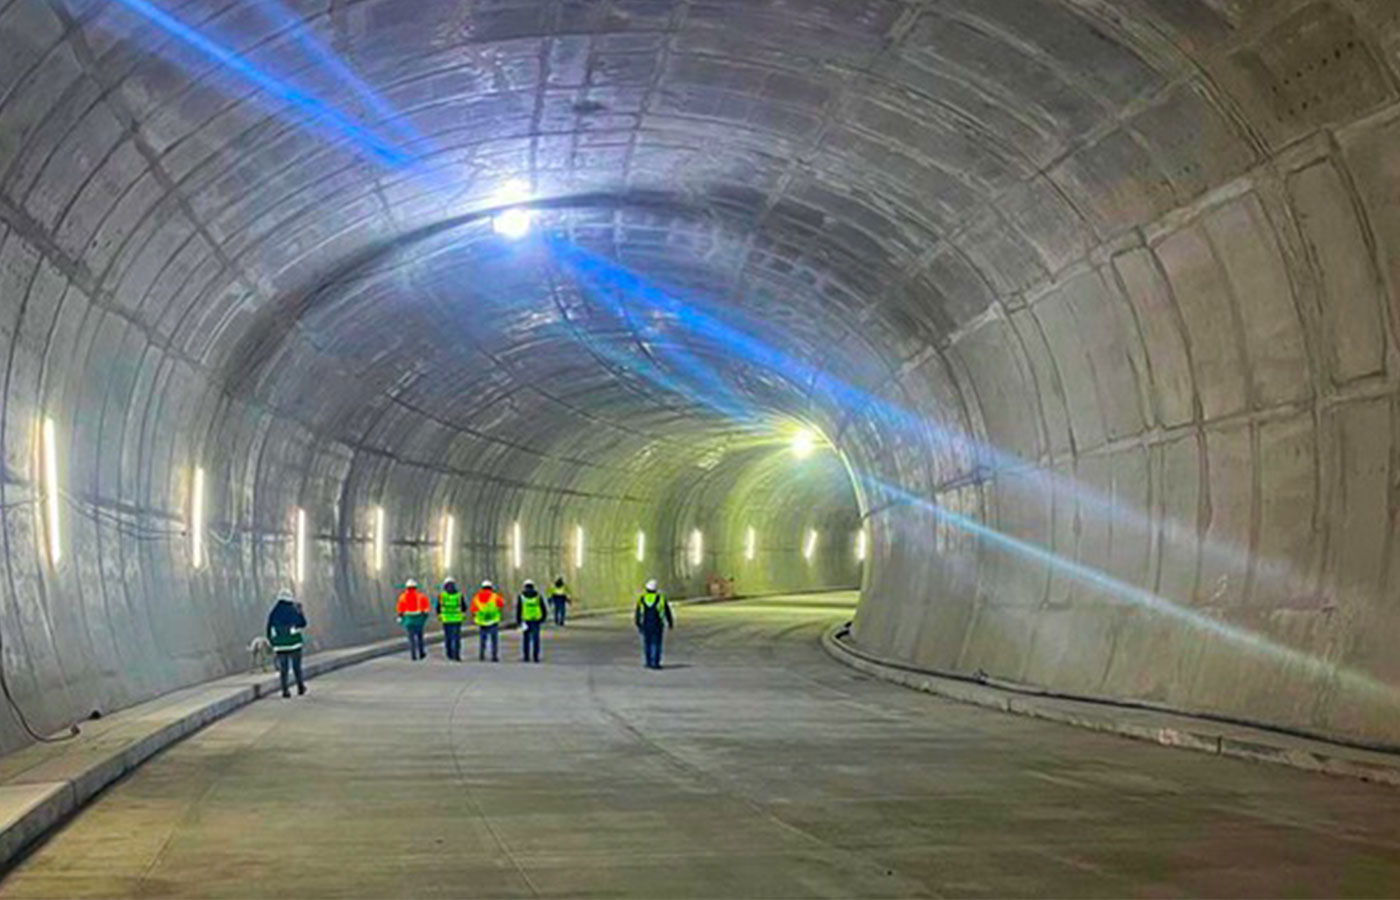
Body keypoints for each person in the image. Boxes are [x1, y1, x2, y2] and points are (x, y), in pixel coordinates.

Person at [266, 589, 307, 697]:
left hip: (280, 645)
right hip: (294, 643)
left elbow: (269, 628)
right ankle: (300, 687)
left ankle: (285, 690)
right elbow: (302, 624)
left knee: (284, 668)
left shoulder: (274, 612)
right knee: (296, 666)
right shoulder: (293, 610)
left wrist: (272, 642)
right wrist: (301, 612)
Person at [635, 578, 673, 670]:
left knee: (647, 643)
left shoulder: (642, 598)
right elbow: (667, 611)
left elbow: (638, 612)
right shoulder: (661, 599)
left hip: (646, 624)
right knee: (656, 643)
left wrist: (638, 623)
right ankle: (655, 662)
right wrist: (670, 622)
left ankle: (648, 662)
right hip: (657, 624)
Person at [396, 578, 431, 661]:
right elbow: (426, 610)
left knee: (411, 639)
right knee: (420, 638)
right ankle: (421, 653)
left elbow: (400, 610)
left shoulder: (402, 597)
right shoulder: (421, 597)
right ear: (416, 587)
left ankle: (413, 655)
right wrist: (424, 619)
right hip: (418, 620)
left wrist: (401, 618)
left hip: (408, 621)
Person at [470, 580, 504, 662]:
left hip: (482, 622)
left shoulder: (476, 597)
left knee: (482, 640)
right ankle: (494, 656)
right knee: (494, 640)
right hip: (493, 621)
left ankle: (481, 655)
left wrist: (476, 616)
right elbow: (501, 605)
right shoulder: (495, 596)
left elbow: (473, 609)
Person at [517, 580, 547, 663]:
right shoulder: (538, 596)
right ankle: (535, 657)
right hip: (536, 620)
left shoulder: (521, 596)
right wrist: (543, 618)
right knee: (536, 639)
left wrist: (519, 621)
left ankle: (526, 656)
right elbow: (543, 607)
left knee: (526, 639)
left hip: (526, 620)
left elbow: (519, 609)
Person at [437, 577, 465, 661]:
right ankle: (457, 655)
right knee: (456, 638)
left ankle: (449, 654)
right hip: (457, 619)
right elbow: (464, 607)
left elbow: (438, 608)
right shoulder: (459, 595)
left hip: (446, 620)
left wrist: (440, 615)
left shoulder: (442, 596)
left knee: (448, 637)